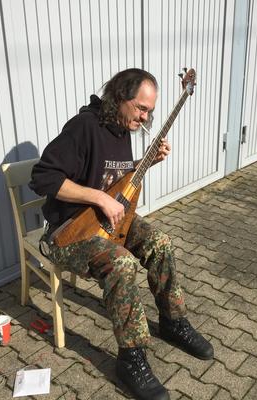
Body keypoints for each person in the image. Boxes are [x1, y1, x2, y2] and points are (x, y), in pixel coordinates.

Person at [29, 68, 213, 400]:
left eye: (150, 111)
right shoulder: (84, 127)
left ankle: (173, 321)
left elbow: (115, 180)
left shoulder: (123, 128)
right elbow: (43, 177)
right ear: (119, 97)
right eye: (141, 108)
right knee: (122, 264)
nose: (145, 117)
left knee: (160, 243)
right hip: (68, 233)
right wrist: (99, 198)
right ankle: (131, 358)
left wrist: (147, 162)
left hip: (109, 221)